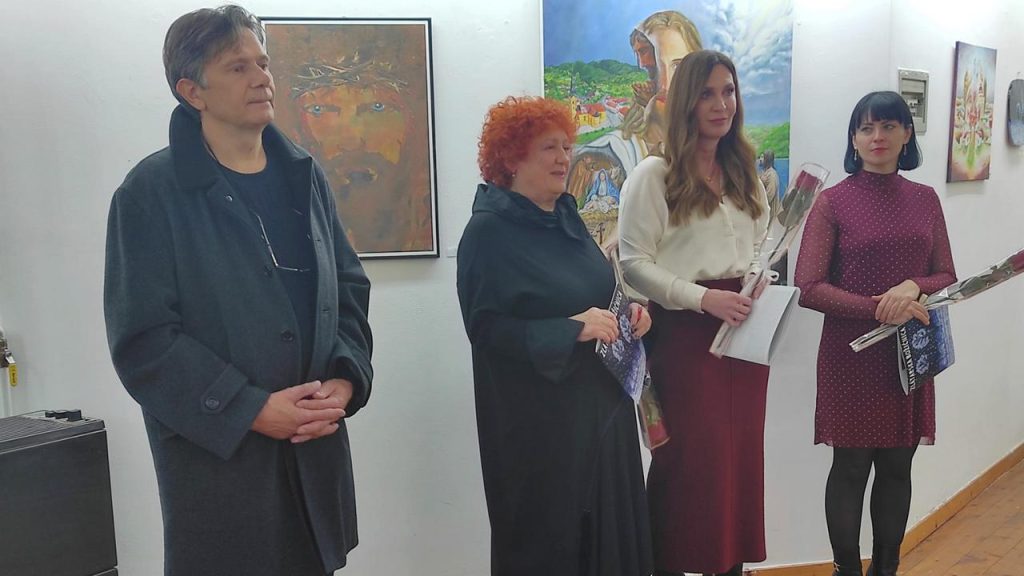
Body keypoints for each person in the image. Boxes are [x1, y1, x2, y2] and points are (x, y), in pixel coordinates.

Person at [103, 6, 373, 575]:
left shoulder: (305, 175)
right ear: (191, 91)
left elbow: (348, 286)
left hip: (314, 460)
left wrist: (346, 379)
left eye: (263, 63)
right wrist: (251, 409)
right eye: (236, 67)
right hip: (223, 471)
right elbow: (145, 341)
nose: (261, 78)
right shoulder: (150, 193)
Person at [457, 95, 654, 576]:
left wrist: (628, 312)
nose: (564, 158)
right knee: (553, 548)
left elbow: (594, 292)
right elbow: (486, 331)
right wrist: (570, 330)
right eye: (549, 147)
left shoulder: (567, 218)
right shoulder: (487, 233)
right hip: (541, 434)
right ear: (511, 158)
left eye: (567, 147)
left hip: (603, 417)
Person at [618, 50, 770, 576]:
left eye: (728, 91)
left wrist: (758, 276)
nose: (721, 104)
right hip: (685, 338)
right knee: (688, 468)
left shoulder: (745, 170)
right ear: (685, 101)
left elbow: (760, 243)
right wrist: (703, 298)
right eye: (706, 93)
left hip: (744, 336)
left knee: (736, 469)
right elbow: (634, 264)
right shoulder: (654, 174)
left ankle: (729, 568)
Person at [794, 91, 956, 576]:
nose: (877, 137)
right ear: (854, 139)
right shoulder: (832, 203)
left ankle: (887, 568)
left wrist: (913, 286)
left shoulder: (925, 200)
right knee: (849, 469)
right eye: (866, 128)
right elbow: (808, 286)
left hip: (910, 355)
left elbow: (946, 275)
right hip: (851, 357)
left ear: (907, 134)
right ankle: (846, 570)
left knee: (897, 468)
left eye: (888, 126)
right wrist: (880, 308)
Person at [759, 150, 786, 283]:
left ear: (767, 159)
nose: (760, 159)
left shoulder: (772, 175)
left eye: (762, 157)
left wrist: (758, 204)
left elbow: (770, 194)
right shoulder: (764, 173)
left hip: (769, 213)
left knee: (768, 243)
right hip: (763, 213)